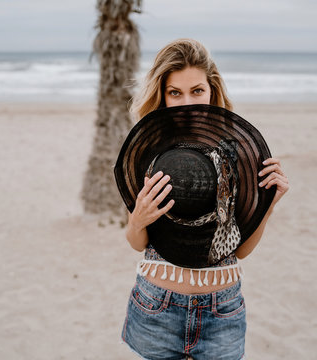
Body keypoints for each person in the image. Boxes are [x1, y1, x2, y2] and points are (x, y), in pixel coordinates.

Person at [121, 38, 289, 359]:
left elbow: (240, 250)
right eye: (175, 93)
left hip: (222, 311)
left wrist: (269, 204)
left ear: (212, 90)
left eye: (197, 90)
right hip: (156, 306)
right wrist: (137, 219)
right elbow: (137, 241)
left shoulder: (238, 153)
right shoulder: (147, 152)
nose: (188, 102)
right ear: (163, 95)